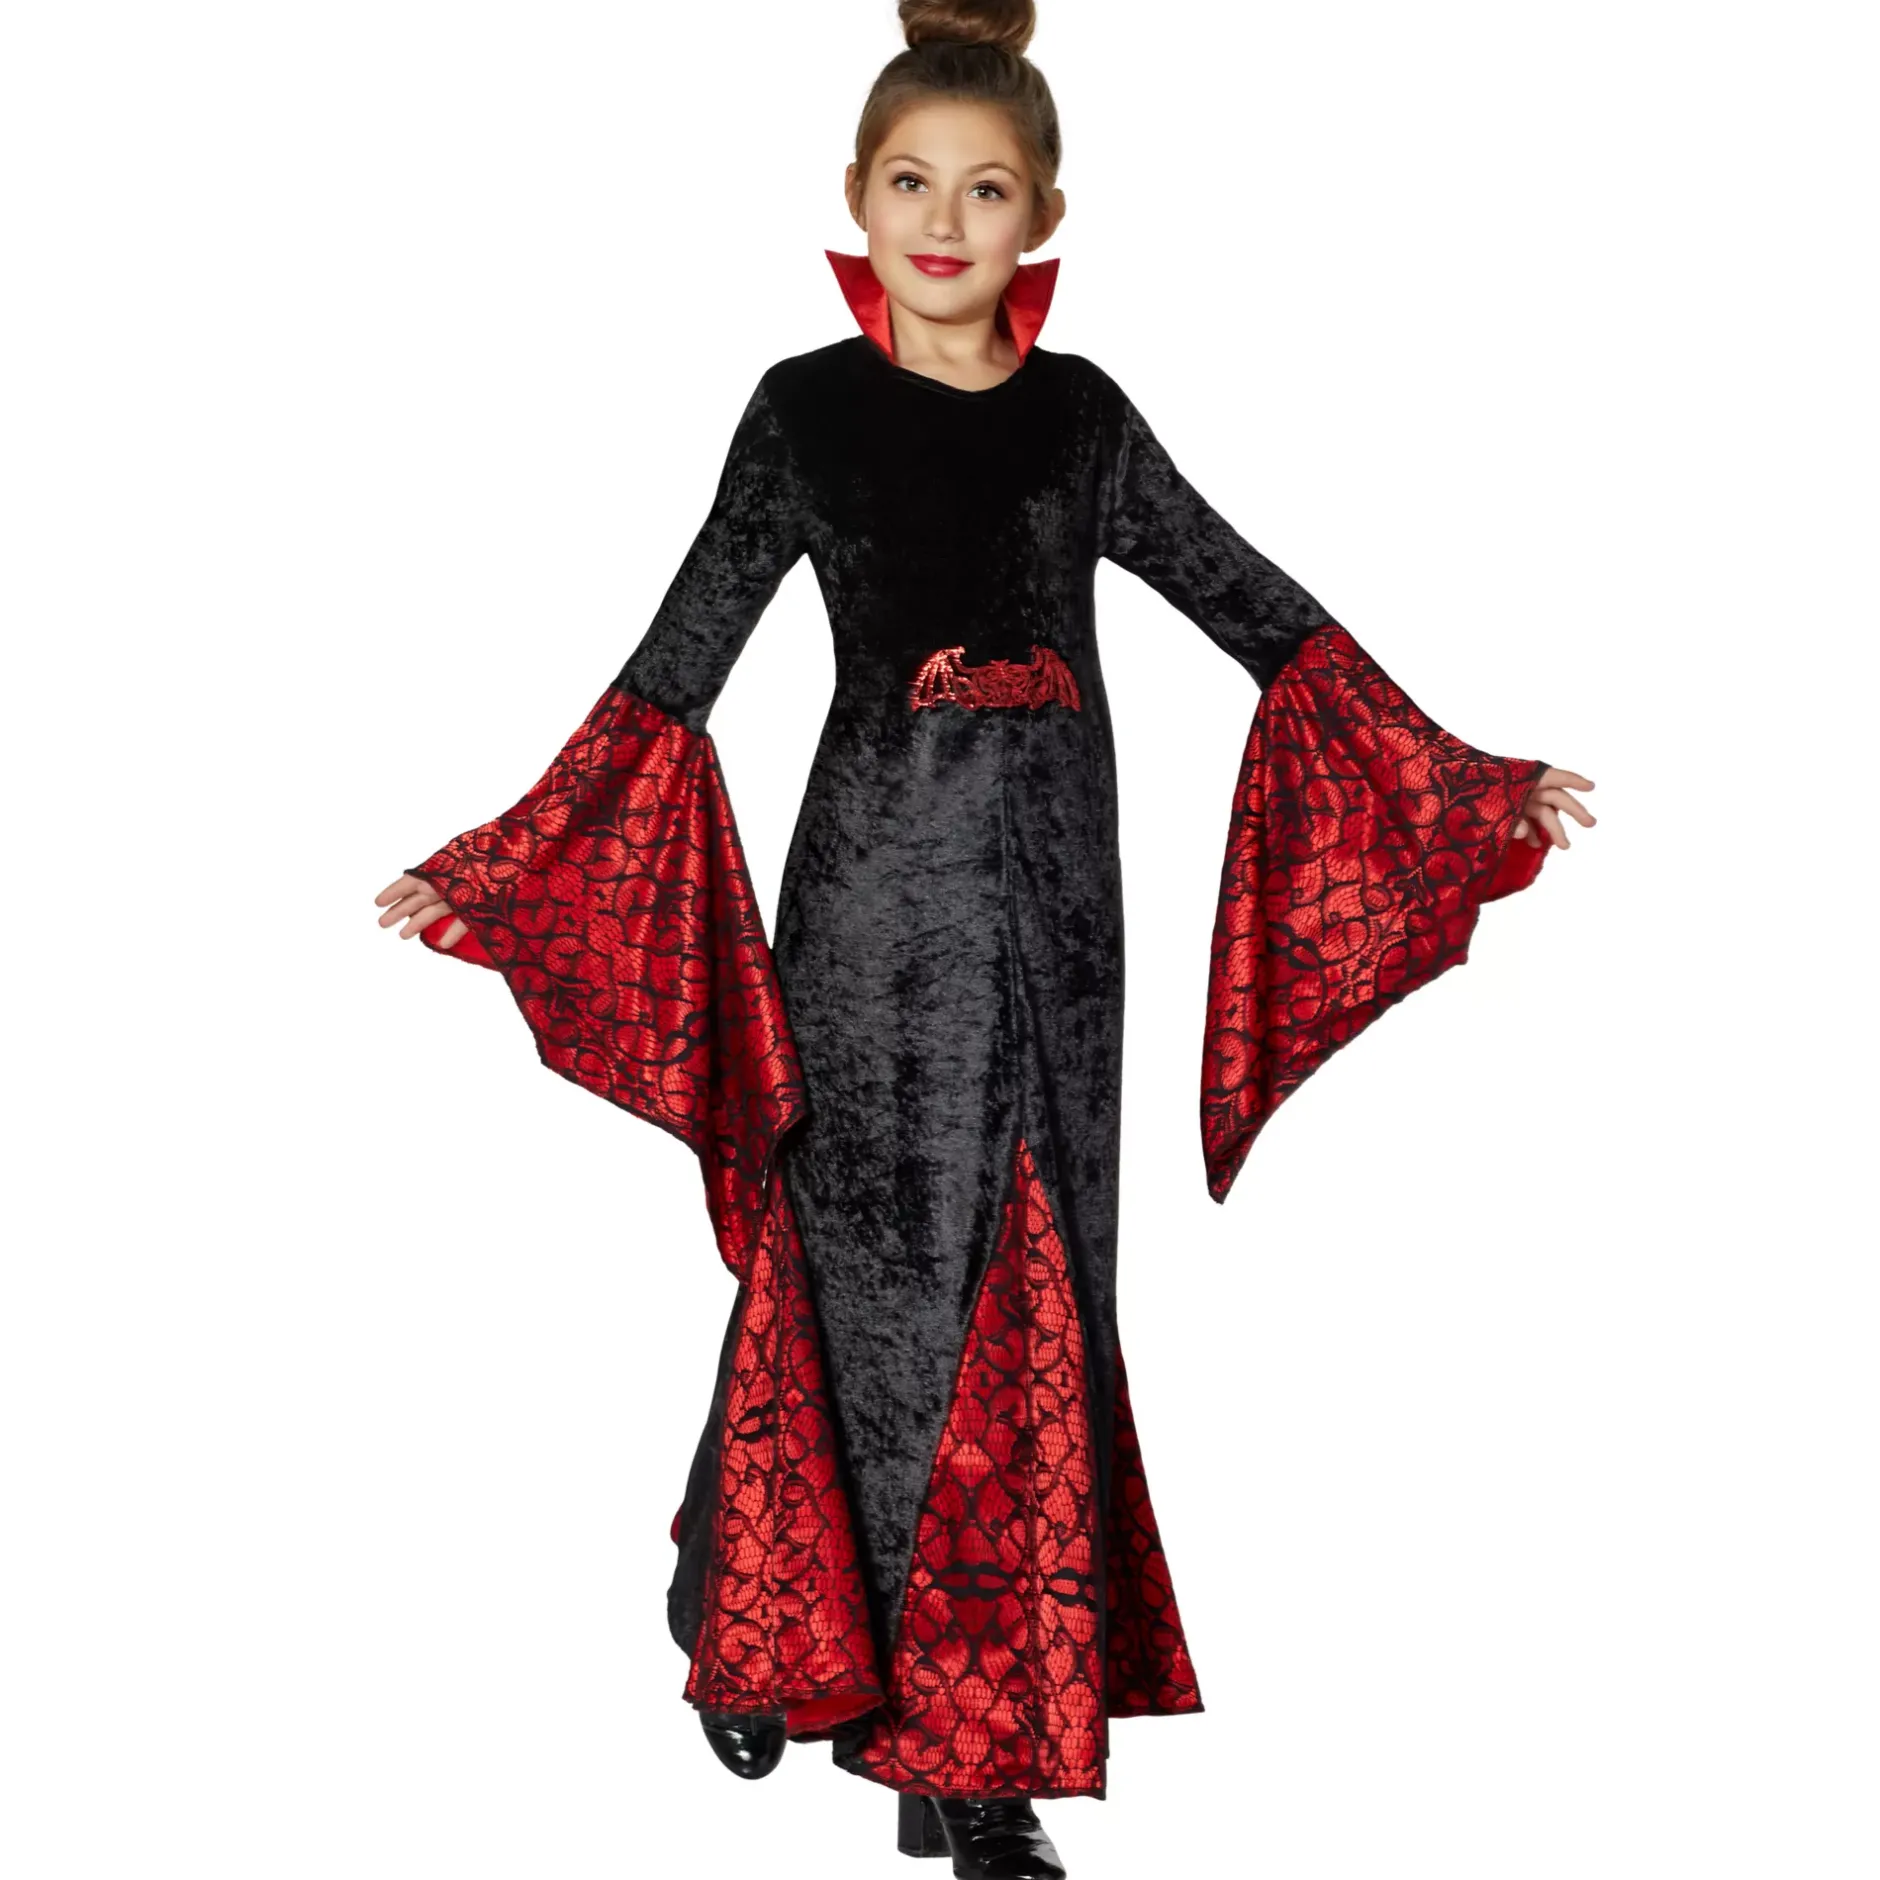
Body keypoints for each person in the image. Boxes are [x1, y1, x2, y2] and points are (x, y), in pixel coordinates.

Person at [374, 3, 1595, 1873]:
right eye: (912, 182)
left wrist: (1453, 781)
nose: (945, 221)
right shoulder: (801, 413)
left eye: (988, 189)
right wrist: (515, 858)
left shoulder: (1081, 419)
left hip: (1063, 925)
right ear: (855, 198)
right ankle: (770, 1620)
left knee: (1029, 1296)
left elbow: (1257, 609)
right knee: (869, 1283)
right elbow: (680, 664)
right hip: (871, 917)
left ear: (1047, 216)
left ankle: (961, 1754)